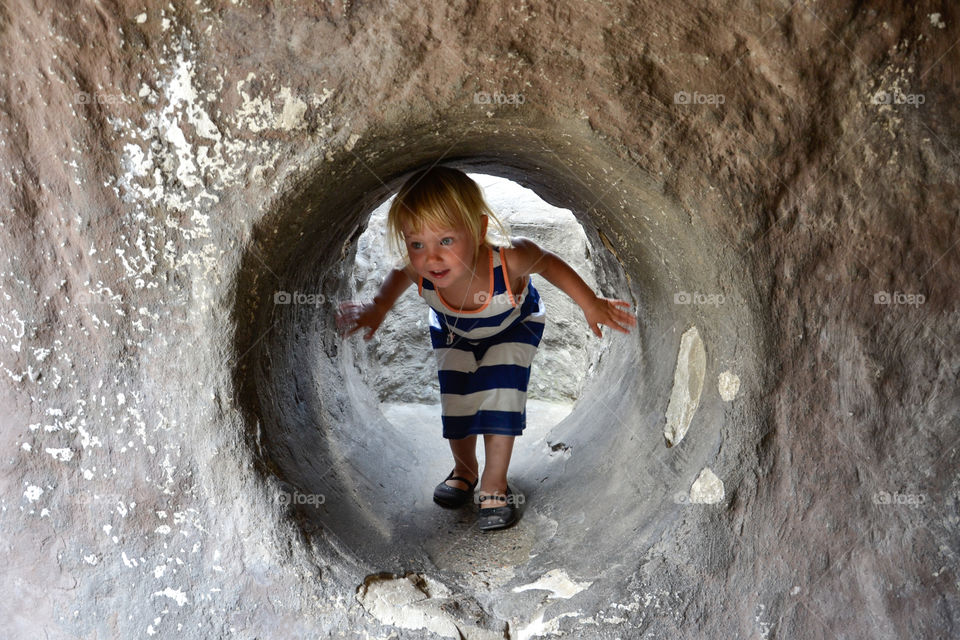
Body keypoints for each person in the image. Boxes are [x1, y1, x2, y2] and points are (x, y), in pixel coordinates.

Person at [336, 166, 637, 531]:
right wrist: (378, 307)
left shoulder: (508, 260)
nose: (431, 257)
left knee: (500, 399)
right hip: (453, 332)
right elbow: (400, 274)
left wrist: (590, 303)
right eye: (417, 244)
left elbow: (547, 263)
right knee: (458, 403)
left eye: (446, 240)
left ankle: (495, 483)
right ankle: (465, 470)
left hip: (512, 326)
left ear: (478, 231)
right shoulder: (420, 271)